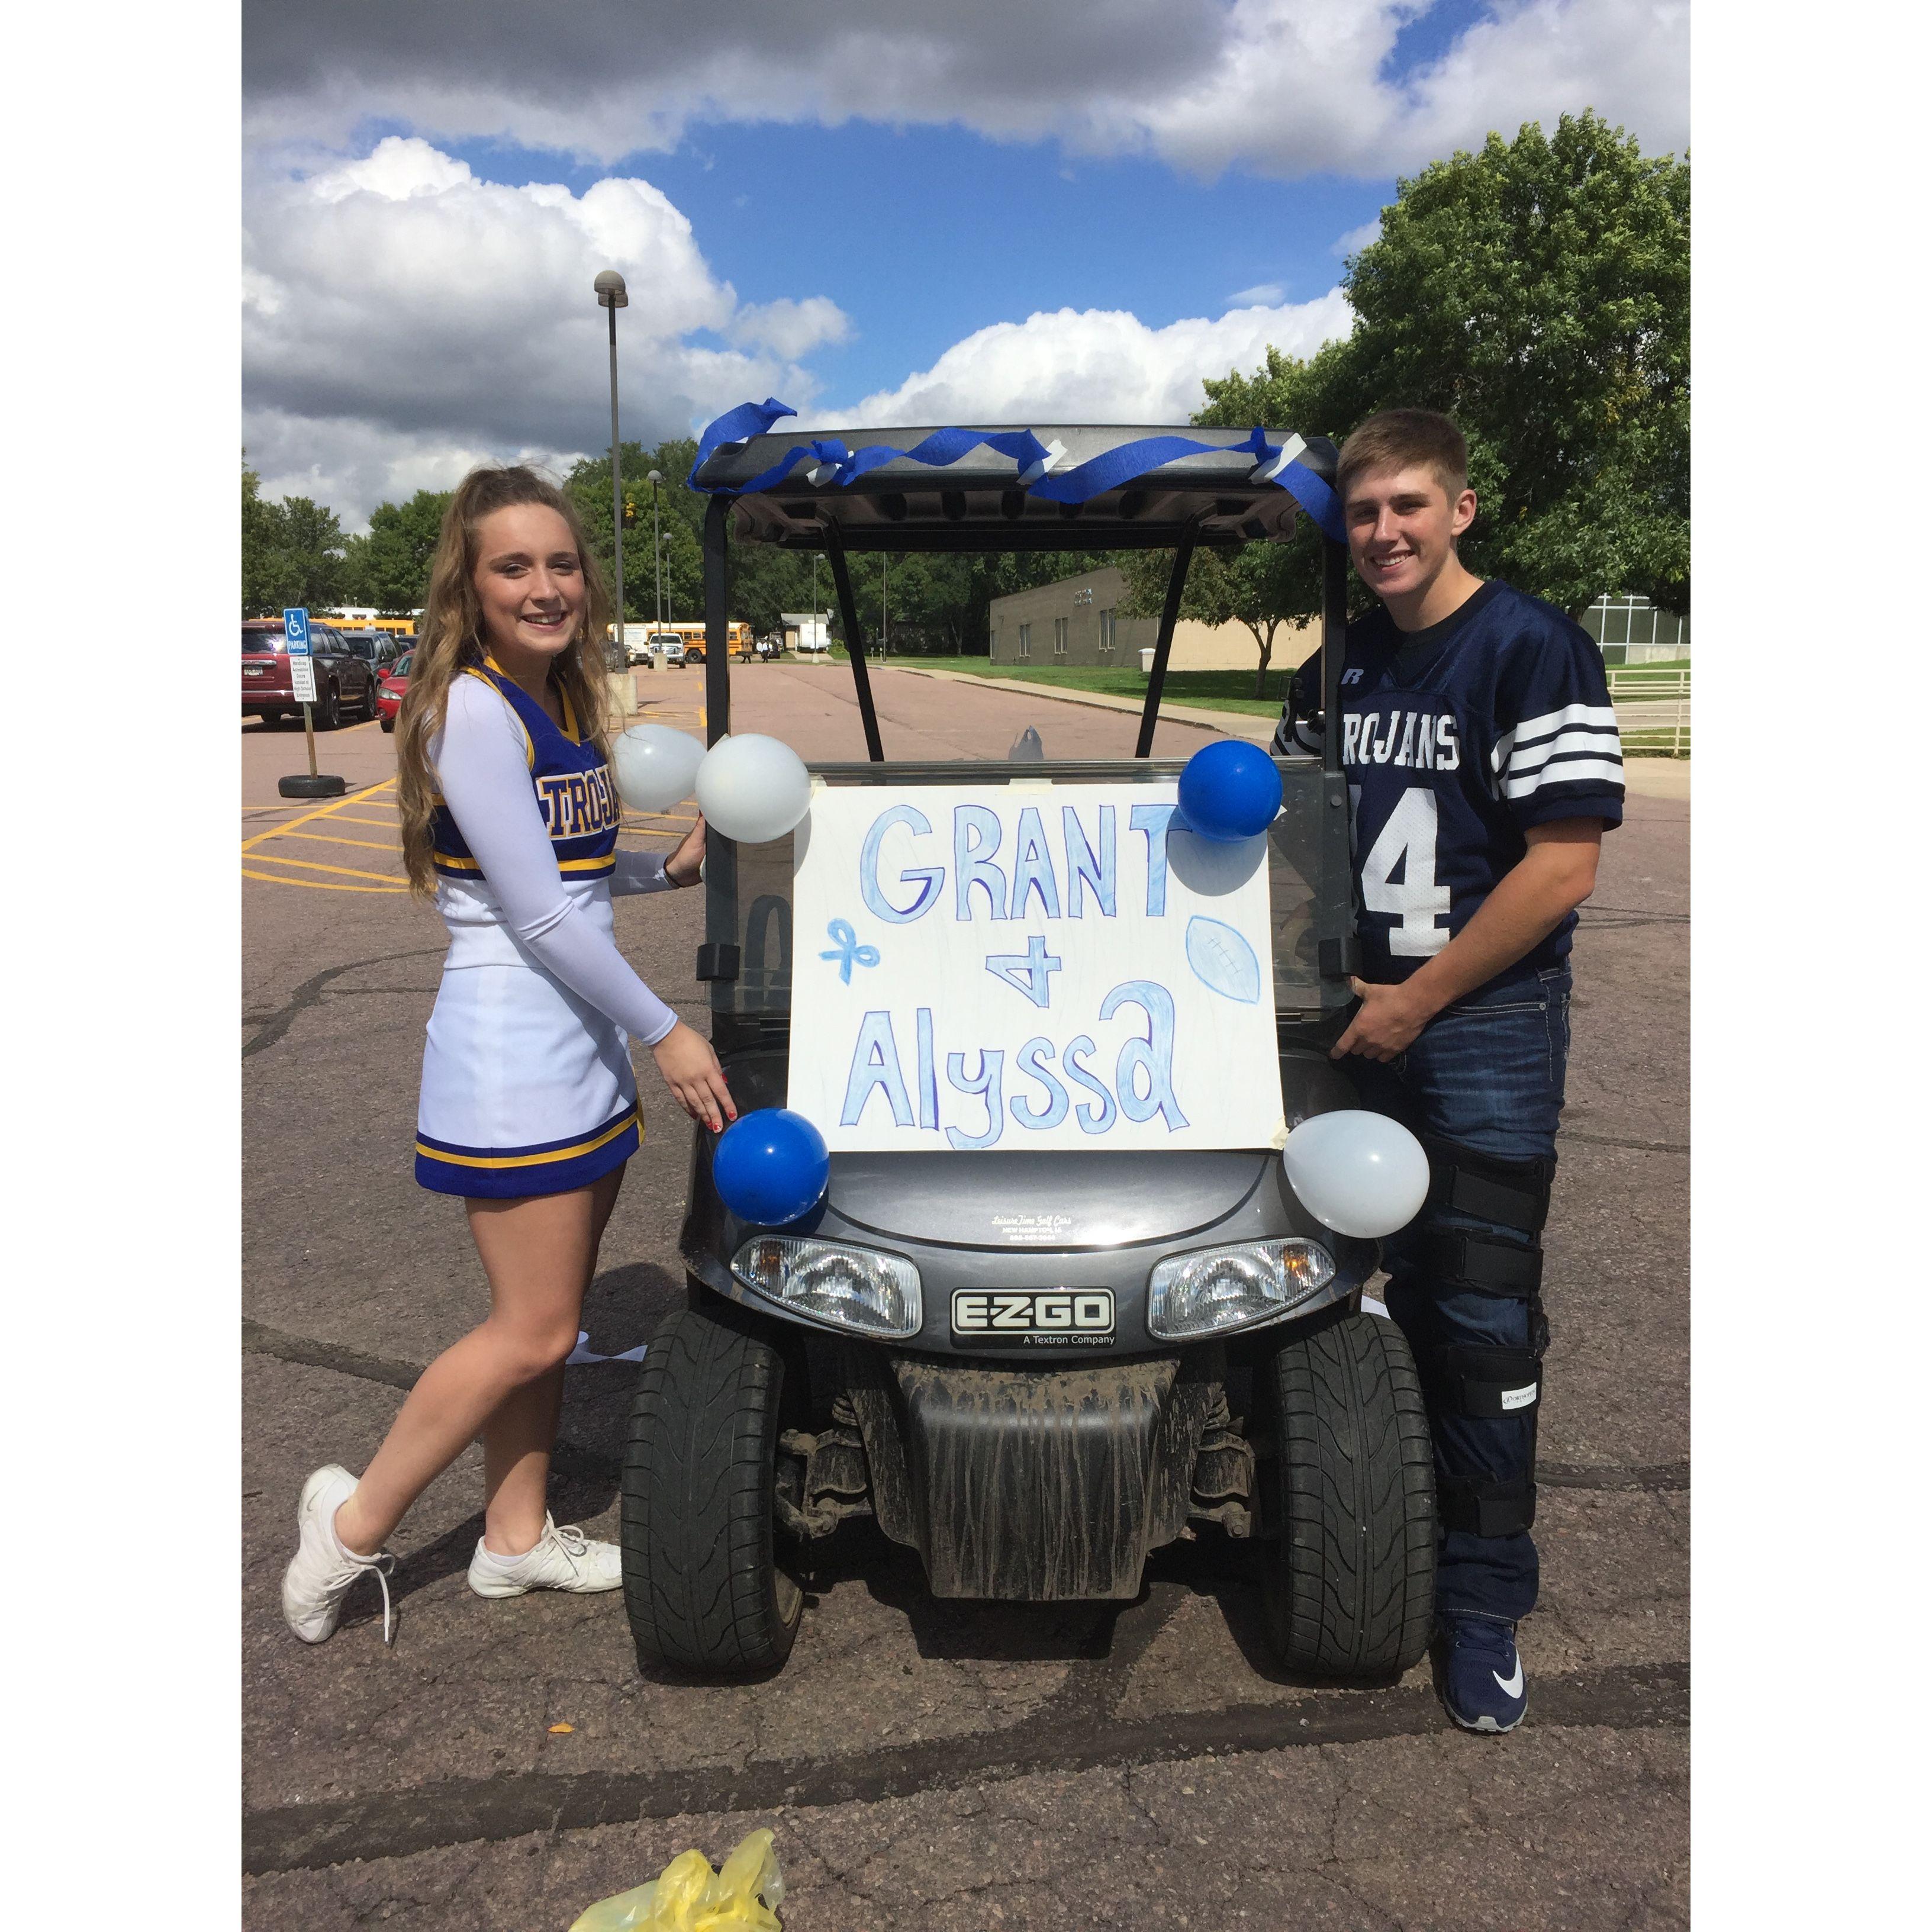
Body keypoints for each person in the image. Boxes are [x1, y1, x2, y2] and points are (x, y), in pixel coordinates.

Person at [281, 465, 738, 1646]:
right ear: (468, 588)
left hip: (578, 1046)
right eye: (513, 567)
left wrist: (666, 870)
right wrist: (668, 1030)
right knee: (531, 1333)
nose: (546, 588)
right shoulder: (472, 708)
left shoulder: (560, 702)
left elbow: (567, 876)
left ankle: (515, 1541)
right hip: (512, 1055)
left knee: (551, 1312)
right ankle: (349, 1529)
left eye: (562, 563)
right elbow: (531, 919)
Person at [1276, 409, 1624, 1733]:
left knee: (1477, 1316)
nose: (1384, 534)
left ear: (1462, 509)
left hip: (1474, 1018)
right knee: (1320, 1293)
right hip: (1355, 1013)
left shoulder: (1532, 646)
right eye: (1363, 514)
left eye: (1408, 507)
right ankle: (1360, 1534)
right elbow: (1291, 838)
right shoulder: (1337, 666)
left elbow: (1563, 864)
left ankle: (1482, 1601)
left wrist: (1419, 1000)